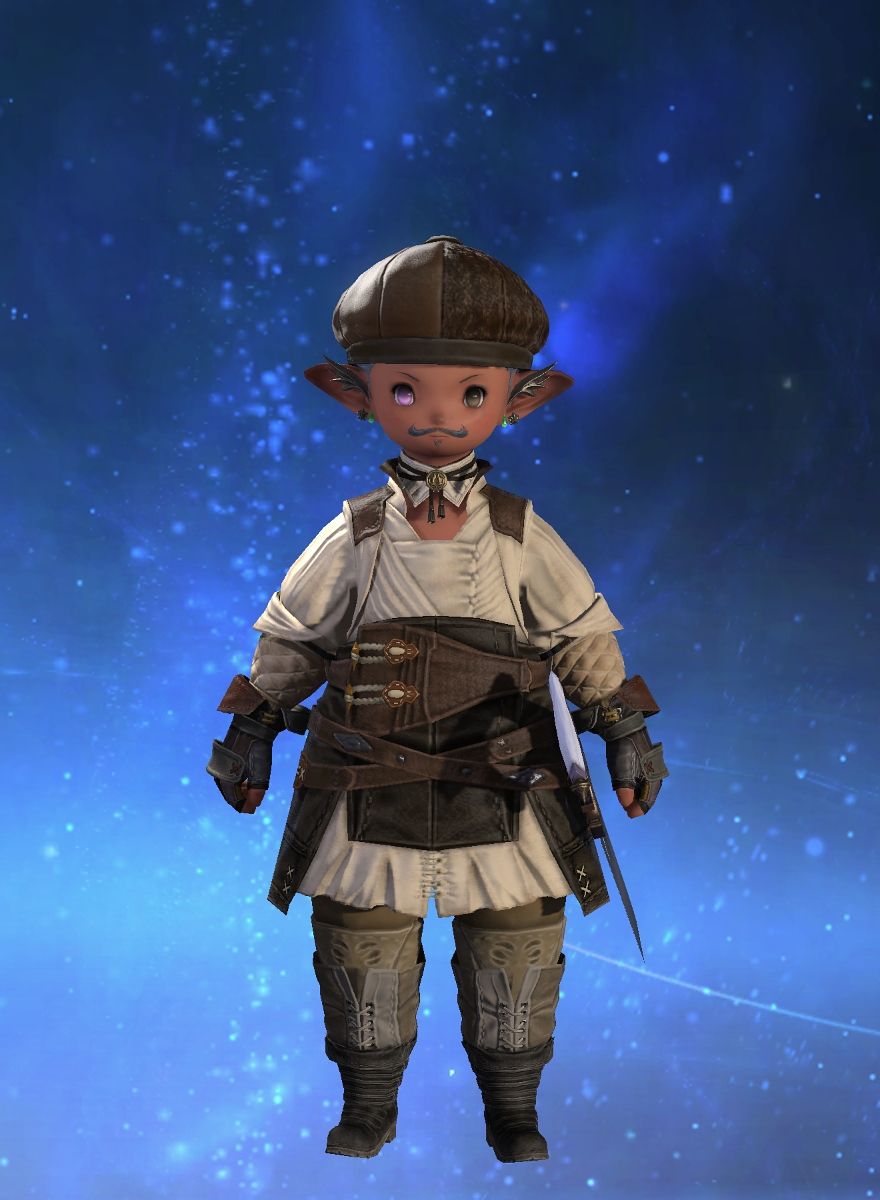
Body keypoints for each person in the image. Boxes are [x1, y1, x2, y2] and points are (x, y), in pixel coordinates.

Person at [206, 235, 668, 1163]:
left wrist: (622, 730)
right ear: (360, 393)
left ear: (517, 398)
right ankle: (369, 1104)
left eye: (472, 394)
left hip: (508, 781)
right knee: (362, 949)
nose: (441, 416)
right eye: (408, 390)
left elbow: (580, 638)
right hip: (366, 785)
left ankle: (513, 1108)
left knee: (516, 949)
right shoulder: (355, 533)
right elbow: (295, 639)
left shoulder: (519, 532)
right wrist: (252, 729)